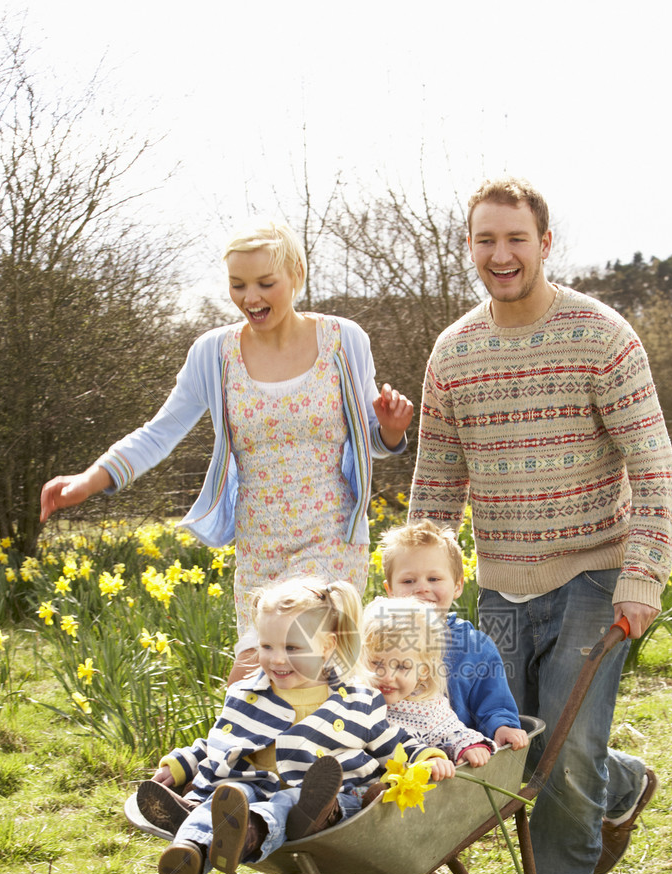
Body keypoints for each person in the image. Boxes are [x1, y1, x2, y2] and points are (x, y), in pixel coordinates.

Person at [408, 176, 672, 874]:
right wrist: (414, 593)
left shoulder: (602, 336)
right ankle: (624, 785)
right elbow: (436, 482)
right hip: (501, 582)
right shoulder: (453, 354)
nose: (501, 255)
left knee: (562, 746)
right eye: (485, 240)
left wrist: (642, 578)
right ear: (470, 248)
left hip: (596, 574)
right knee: (522, 753)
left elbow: (655, 470)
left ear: (545, 244)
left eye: (515, 239)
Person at [39, 219, 413, 681]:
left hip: (331, 536)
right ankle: (254, 755)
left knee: (290, 668)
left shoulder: (343, 341)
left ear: (296, 273)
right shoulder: (214, 354)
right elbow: (160, 431)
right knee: (262, 681)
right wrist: (90, 479)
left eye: (264, 283)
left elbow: (372, 439)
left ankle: (288, 752)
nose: (250, 297)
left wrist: (392, 430)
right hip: (258, 544)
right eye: (238, 285)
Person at [137, 576, 454, 874]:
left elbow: (393, 744)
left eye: (292, 648)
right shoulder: (249, 693)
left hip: (325, 801)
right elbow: (221, 740)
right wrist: (181, 764)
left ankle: (247, 834)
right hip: (253, 784)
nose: (276, 660)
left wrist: (427, 756)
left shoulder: (356, 700)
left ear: (327, 647)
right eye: (267, 646)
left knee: (288, 802)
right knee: (225, 797)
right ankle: (188, 854)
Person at [353, 595, 495, 874]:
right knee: (356, 832)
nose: (387, 676)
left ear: (424, 672)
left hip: (402, 804)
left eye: (402, 666)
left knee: (375, 820)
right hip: (355, 794)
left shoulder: (427, 708)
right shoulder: (354, 699)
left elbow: (453, 732)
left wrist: (471, 747)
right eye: (376, 663)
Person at [378, 519, 528, 751]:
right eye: (408, 581)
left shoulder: (475, 647)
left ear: (457, 586)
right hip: (390, 754)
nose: (422, 588)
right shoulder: (378, 641)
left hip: (459, 755)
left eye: (434, 579)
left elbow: (493, 704)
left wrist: (502, 727)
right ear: (390, 591)